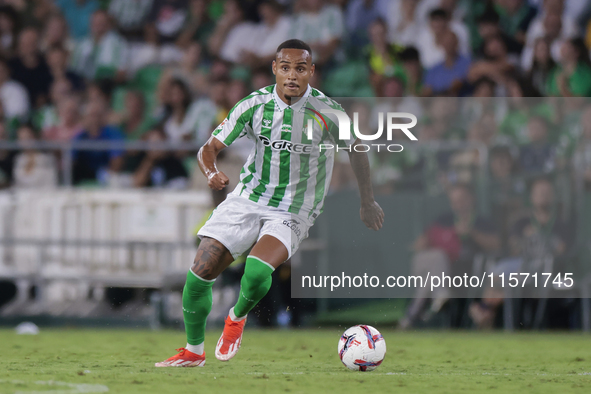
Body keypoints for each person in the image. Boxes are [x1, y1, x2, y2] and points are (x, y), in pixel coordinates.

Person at [155, 39, 384, 367]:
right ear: (275, 68)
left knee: (257, 270)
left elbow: (358, 150)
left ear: (311, 72)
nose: (293, 75)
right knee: (198, 274)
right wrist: (211, 172)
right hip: (248, 198)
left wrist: (368, 201)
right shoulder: (253, 105)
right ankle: (193, 350)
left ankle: (236, 318)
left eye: (300, 69)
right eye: (286, 68)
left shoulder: (329, 112)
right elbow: (208, 148)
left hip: (295, 208)